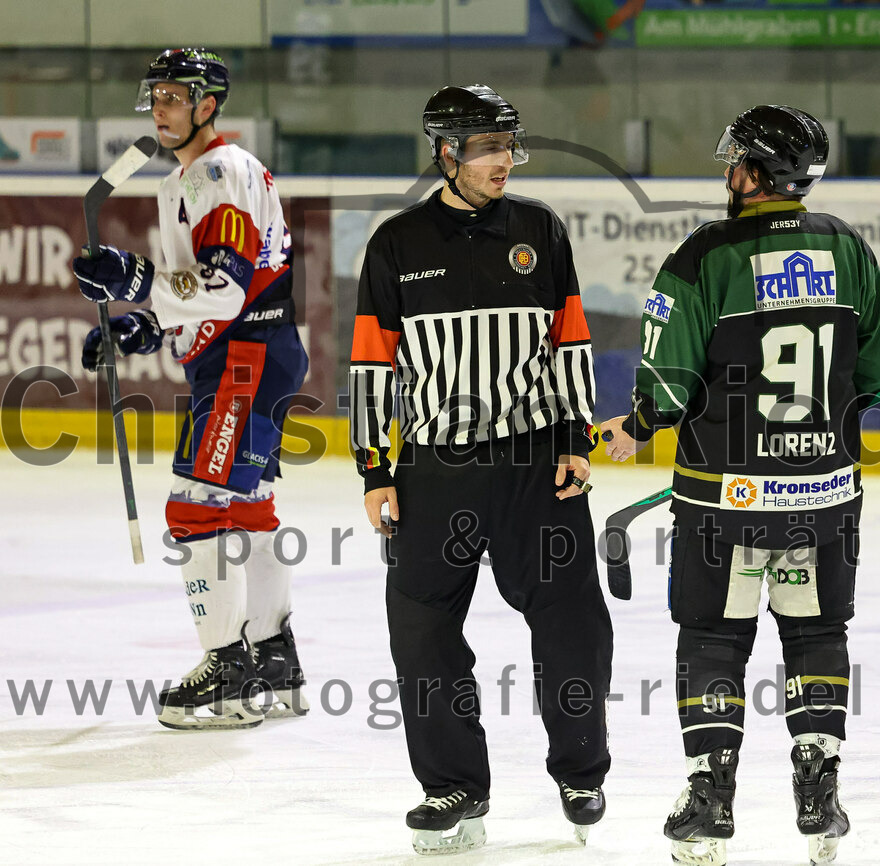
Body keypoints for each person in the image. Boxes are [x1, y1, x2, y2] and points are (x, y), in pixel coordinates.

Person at [603, 105, 880, 866]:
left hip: (721, 502)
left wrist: (635, 426)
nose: (728, 171)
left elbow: (666, 388)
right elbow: (874, 381)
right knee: (816, 633)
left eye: (738, 160)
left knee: (713, 637)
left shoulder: (706, 256)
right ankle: (819, 788)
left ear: (759, 172)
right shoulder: (848, 249)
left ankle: (710, 797)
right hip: (823, 499)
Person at [348, 84, 613, 855]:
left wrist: (575, 437)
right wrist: (375, 467)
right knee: (423, 635)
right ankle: (453, 786)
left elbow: (569, 343)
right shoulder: (397, 242)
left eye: (509, 146)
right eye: (489, 147)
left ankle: (580, 771)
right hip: (434, 471)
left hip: (537, 467)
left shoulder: (539, 229)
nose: (504, 160)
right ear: (448, 152)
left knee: (574, 625)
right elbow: (372, 365)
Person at [73, 48, 310, 731]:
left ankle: (227, 674)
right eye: (155, 97)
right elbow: (199, 290)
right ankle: (272, 656)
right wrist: (141, 326)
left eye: (174, 96)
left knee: (196, 507)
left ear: (209, 105)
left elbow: (225, 287)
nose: (160, 109)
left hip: (245, 358)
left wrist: (135, 279)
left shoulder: (220, 172)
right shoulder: (185, 180)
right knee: (248, 506)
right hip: (244, 354)